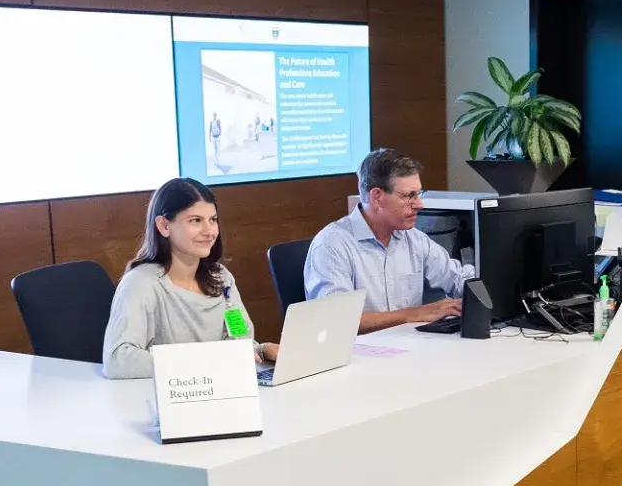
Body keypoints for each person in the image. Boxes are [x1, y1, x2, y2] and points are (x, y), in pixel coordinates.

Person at [101, 177, 276, 379]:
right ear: (164, 226)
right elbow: (118, 360)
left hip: (220, 390)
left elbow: (239, 337)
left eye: (213, 220)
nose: (209, 231)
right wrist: (203, 360)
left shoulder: (221, 278)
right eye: (195, 221)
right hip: (167, 399)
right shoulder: (140, 284)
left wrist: (261, 350)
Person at [305, 148, 474, 333]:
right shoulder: (332, 245)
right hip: (358, 354)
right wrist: (414, 314)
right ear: (377, 197)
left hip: (407, 348)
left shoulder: (413, 238)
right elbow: (338, 320)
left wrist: (490, 284)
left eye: (419, 194)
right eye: (409, 196)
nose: (419, 205)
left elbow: (458, 279)